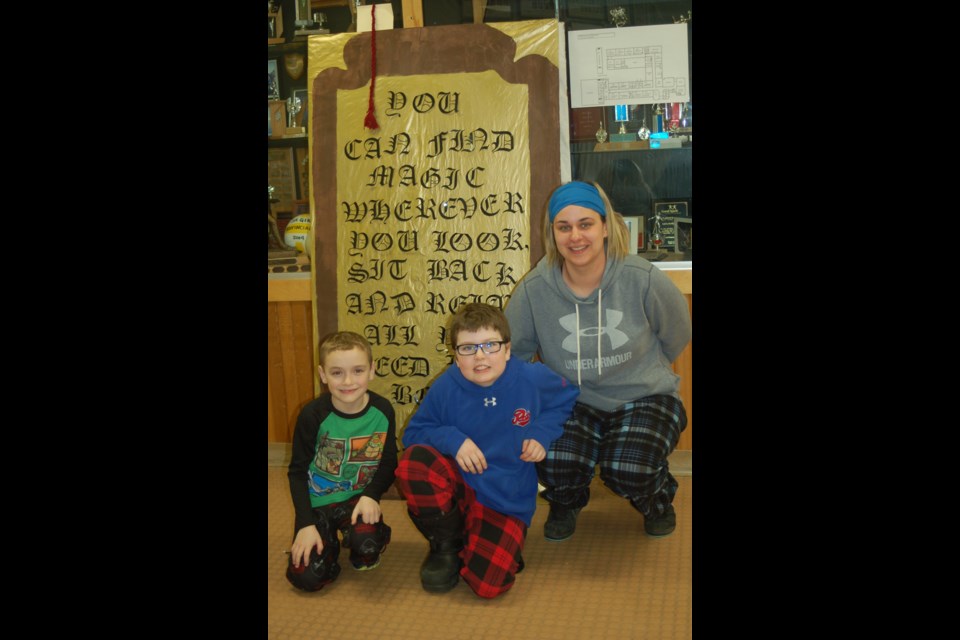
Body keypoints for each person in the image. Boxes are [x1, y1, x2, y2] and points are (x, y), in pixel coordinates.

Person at [504, 180, 690, 542]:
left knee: (628, 469)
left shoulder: (642, 278)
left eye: (585, 224)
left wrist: (646, 370)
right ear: (552, 232)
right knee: (548, 457)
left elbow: (677, 332)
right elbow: (516, 355)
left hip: (645, 396)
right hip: (570, 401)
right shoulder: (533, 290)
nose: (576, 236)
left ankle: (656, 497)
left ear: (606, 227)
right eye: (564, 227)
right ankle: (567, 499)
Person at [395, 303, 579, 598]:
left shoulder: (531, 377)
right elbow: (414, 434)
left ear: (507, 350)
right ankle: (447, 545)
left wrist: (541, 433)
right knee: (414, 463)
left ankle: (483, 538)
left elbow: (566, 396)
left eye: (490, 345)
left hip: (504, 497)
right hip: (459, 485)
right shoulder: (445, 387)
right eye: (467, 348)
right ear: (455, 355)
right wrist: (453, 439)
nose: (480, 356)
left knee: (488, 585)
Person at [285, 331, 398, 592]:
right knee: (307, 579)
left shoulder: (383, 411)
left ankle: (367, 537)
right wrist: (305, 524)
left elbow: (389, 461)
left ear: (372, 370)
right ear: (323, 374)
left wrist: (371, 495)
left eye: (357, 371)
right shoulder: (312, 415)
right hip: (318, 503)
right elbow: (297, 472)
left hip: (358, 500)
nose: (348, 381)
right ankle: (329, 547)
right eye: (337, 373)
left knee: (366, 547)